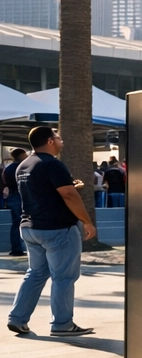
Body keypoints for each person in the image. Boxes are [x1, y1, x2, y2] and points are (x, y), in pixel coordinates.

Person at [6, 127, 95, 337]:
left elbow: (43, 190)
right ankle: (62, 324)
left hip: (30, 228)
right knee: (63, 277)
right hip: (57, 229)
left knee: (35, 273)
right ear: (50, 141)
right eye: (58, 137)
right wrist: (87, 221)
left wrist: (70, 185)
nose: (61, 140)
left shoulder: (23, 166)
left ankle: (17, 318)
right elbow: (68, 195)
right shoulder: (53, 164)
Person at [3, 147, 27, 256]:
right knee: (25, 222)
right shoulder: (22, 167)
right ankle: (21, 247)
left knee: (15, 223)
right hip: (21, 196)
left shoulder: (7, 169)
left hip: (12, 196)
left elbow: (4, 182)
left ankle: (16, 248)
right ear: (20, 156)